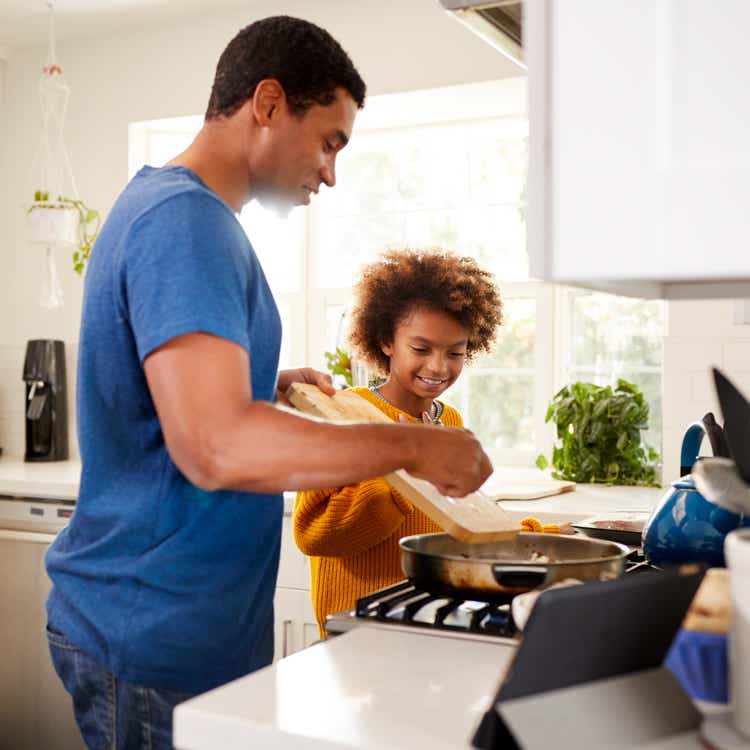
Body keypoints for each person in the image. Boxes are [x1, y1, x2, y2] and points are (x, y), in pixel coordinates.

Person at [44, 17, 492, 750]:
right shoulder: (186, 223)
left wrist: (264, 379)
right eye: (329, 141)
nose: (330, 171)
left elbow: (166, 393)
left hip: (173, 627)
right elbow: (215, 447)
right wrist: (411, 445)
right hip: (154, 631)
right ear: (269, 103)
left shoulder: (169, 209)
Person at [294, 248, 504, 636]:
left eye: (455, 352)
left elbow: (451, 527)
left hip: (428, 623)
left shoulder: (449, 421)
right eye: (421, 349)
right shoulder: (344, 416)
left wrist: (529, 534)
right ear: (386, 341)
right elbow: (314, 535)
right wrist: (406, 474)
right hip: (357, 630)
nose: (439, 367)